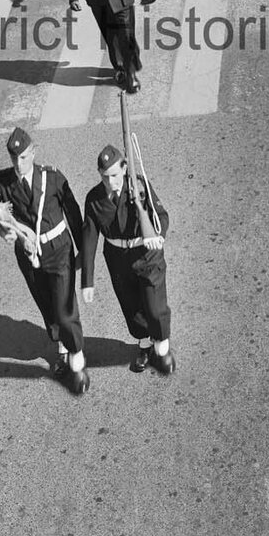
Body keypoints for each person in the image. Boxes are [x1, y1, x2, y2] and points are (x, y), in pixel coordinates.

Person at [0, 128, 90, 395]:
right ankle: (62, 347)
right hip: (29, 254)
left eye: (23, 157)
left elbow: (73, 212)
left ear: (33, 152)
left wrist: (82, 252)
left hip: (58, 250)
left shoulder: (52, 178)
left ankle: (77, 360)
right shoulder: (2, 184)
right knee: (47, 306)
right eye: (14, 158)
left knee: (64, 308)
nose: (19, 163)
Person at [81, 144, 175, 375]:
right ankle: (144, 345)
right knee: (131, 306)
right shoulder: (94, 198)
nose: (110, 181)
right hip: (118, 259)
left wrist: (158, 236)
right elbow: (89, 240)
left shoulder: (139, 186)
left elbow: (161, 216)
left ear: (124, 168)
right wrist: (87, 280)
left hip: (146, 254)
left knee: (154, 307)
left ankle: (162, 348)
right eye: (105, 176)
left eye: (114, 175)